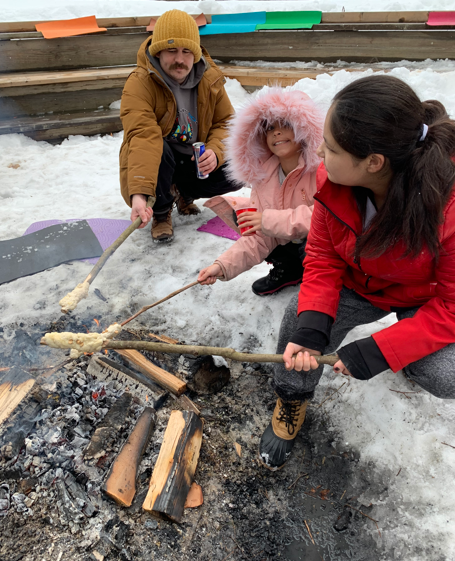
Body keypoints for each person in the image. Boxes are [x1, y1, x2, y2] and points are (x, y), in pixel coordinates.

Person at [259, 74, 455, 471]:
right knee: (296, 318)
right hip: (358, 286)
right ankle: (292, 397)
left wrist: (384, 350)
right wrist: (314, 324)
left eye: (330, 147)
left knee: (445, 373)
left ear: (373, 162)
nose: (319, 152)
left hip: (423, 297)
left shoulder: (447, 208)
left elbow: (452, 307)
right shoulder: (333, 183)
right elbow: (322, 256)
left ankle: (411, 359)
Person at [119, 9, 239, 243]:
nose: (179, 60)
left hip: (194, 158)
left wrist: (215, 151)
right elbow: (143, 137)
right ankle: (161, 211)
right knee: (161, 151)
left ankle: (184, 194)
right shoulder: (140, 83)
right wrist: (140, 194)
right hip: (160, 158)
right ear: (158, 51)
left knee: (241, 165)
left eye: (187, 51)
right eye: (171, 50)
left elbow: (226, 122)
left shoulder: (209, 77)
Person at [197, 88, 324, 295]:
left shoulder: (322, 169)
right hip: (290, 241)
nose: (276, 132)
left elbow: (328, 219)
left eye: (286, 125)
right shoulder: (265, 175)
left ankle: (320, 292)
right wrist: (222, 266)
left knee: (310, 247)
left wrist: (268, 220)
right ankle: (290, 269)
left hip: (322, 246)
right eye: (270, 127)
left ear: (305, 128)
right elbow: (259, 238)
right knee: (247, 218)